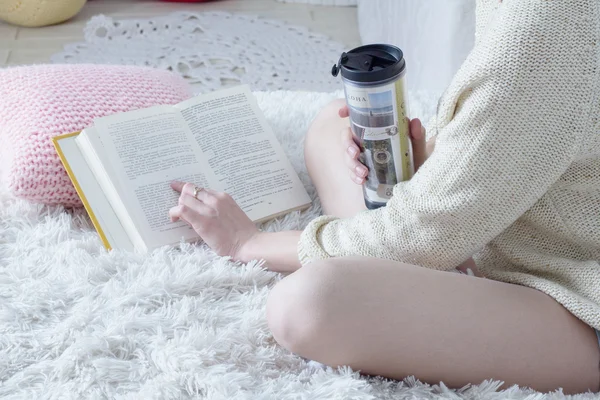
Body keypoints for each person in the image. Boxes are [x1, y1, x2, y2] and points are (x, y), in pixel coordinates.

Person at [168, 0, 600, 394]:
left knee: (308, 305)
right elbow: (549, 135)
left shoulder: (550, 25)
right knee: (331, 128)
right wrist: (439, 162)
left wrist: (250, 243)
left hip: (580, 296)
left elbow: (424, 235)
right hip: (519, 226)